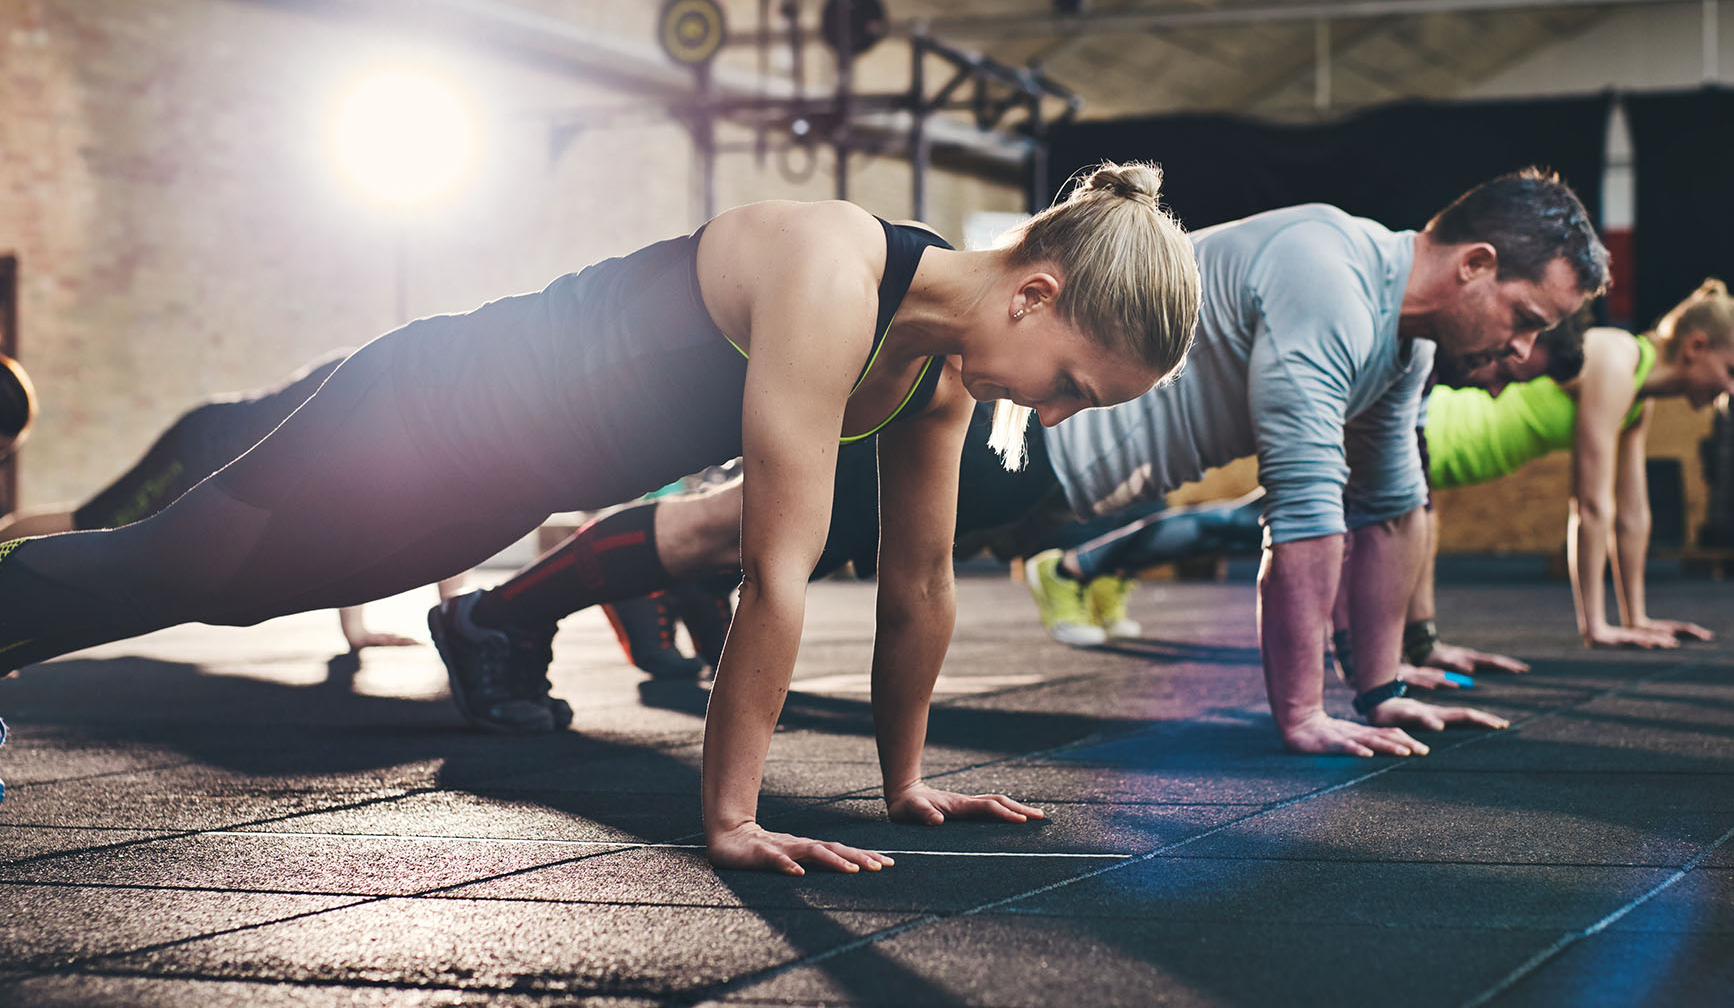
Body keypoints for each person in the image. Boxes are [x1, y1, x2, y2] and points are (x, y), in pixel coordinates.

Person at [0, 163, 1200, 875]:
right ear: (1037, 295)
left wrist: (904, 784)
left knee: (238, 590)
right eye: (1069, 388)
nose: (1049, 419)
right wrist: (731, 818)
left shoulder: (935, 376)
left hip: (494, 482)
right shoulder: (833, 271)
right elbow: (774, 575)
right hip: (431, 402)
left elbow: (921, 585)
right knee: (172, 567)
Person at [502, 169, 1609, 762]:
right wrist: (1306, 713)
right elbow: (1306, 510)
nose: (1521, 353)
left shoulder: (1401, 345)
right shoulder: (1331, 267)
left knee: (779, 535)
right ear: (1474, 265)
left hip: (1063, 471)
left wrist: (1386, 686)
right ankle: (501, 616)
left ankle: (655, 588)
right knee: (748, 529)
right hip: (1022, 424)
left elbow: (1389, 509)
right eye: (1524, 317)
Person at [0, 354, 443, 652]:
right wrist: (358, 630)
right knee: (94, 525)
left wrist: (363, 631)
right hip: (202, 446)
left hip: (234, 456)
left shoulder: (418, 422)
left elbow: (431, 521)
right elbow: (372, 520)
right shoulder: (391, 401)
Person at [1422, 279, 1734, 652]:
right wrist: (1596, 626)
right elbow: (1590, 504)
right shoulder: (1616, 359)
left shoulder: (1637, 392)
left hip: (1454, 453)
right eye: (1733, 372)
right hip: (1443, 434)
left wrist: (1637, 618)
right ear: (1696, 346)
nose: (1733, 390)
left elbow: (1632, 513)